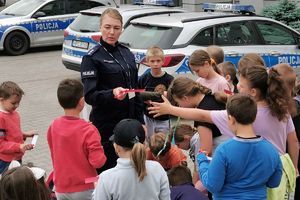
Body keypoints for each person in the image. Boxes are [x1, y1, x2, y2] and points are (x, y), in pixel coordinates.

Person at [149, 65, 299, 200]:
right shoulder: (281, 109)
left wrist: (170, 109)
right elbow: (293, 141)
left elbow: (203, 115)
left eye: (240, 83)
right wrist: (295, 168)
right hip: (275, 174)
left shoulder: (239, 119)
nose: (236, 85)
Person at [80, 8, 144, 172]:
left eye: (116, 28)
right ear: (100, 27)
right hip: (107, 127)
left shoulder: (127, 53)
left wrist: (141, 121)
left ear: (122, 29)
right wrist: (112, 93)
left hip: (130, 123)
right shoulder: (92, 57)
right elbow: (89, 96)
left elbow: (134, 91)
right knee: (109, 172)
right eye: (107, 27)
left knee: (133, 169)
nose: (111, 32)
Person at [197, 94, 283, 200]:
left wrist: (202, 162)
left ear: (231, 119)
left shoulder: (223, 150)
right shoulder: (271, 150)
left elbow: (212, 185)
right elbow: (274, 183)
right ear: (254, 116)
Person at [47, 79, 106, 200]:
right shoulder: (89, 130)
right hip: (86, 187)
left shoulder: (54, 125)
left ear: (59, 101)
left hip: (61, 187)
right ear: (82, 102)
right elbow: (98, 162)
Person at [93, 118, 170, 200]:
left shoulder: (106, 178)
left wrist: (97, 191)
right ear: (144, 144)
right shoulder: (157, 168)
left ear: (116, 147)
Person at [138, 46, 174, 138]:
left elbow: (174, 99)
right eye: (152, 61)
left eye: (158, 61)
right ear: (147, 62)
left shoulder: (169, 79)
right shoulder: (143, 78)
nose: (155, 64)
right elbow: (137, 96)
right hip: (148, 117)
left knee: (164, 143)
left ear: (163, 61)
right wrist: (144, 101)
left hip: (164, 119)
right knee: (149, 142)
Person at [0, 81, 35, 174]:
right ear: (1, 99)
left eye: (18, 102)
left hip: (17, 157)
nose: (16, 106)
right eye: (13, 103)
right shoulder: (1, 118)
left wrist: (25, 134)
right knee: (8, 185)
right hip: (6, 161)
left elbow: (11, 132)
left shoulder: (15, 114)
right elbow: (1, 144)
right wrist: (19, 146)